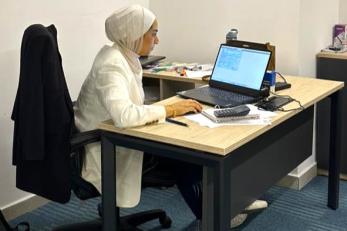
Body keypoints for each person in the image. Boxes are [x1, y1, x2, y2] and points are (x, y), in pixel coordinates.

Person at [74, 4, 266, 228]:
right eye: (153, 34)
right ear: (134, 34)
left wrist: (167, 109)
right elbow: (124, 115)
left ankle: (235, 201)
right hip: (104, 147)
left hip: (117, 136)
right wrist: (170, 109)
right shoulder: (111, 65)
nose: (157, 41)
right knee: (188, 157)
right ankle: (215, 216)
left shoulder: (124, 55)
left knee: (199, 146)